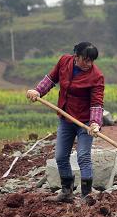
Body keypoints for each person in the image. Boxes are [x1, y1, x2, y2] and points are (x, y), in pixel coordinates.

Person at [26, 42, 104, 203]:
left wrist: (95, 123)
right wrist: (38, 91)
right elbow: (51, 79)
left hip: (85, 123)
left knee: (83, 156)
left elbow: (97, 102)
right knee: (61, 156)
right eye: (85, 60)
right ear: (76, 57)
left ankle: (86, 195)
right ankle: (67, 192)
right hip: (66, 118)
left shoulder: (96, 76)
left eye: (92, 61)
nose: (89, 64)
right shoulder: (64, 62)